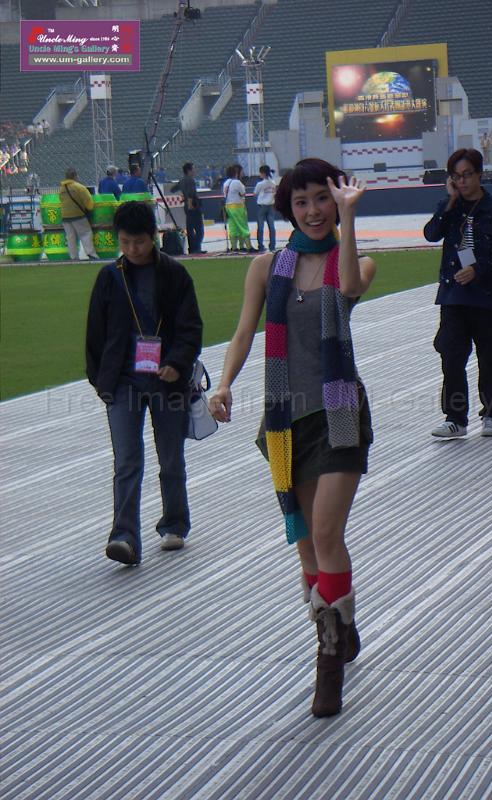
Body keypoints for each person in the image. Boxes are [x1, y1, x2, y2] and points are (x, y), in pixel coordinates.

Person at [209, 158, 376, 718]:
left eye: (322, 198)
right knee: (308, 544)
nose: (312, 211)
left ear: (337, 199)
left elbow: (347, 287)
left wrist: (349, 218)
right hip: (285, 419)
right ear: (288, 208)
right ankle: (339, 625)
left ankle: (328, 665)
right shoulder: (266, 267)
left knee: (326, 532)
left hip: (339, 413)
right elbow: (243, 333)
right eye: (301, 202)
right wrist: (224, 384)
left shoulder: (356, 260)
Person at [85, 201, 203, 566]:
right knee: (127, 460)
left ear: (154, 236)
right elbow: (95, 334)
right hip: (123, 382)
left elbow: (190, 328)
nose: (132, 249)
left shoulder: (175, 274)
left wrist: (177, 364)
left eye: (139, 241)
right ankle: (124, 537)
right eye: (125, 242)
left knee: (170, 457)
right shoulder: (109, 277)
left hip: (167, 382)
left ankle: (174, 524)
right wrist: (101, 381)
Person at [424, 148, 492, 438]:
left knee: (489, 357)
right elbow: (431, 234)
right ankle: (455, 418)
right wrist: (449, 201)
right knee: (451, 356)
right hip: (453, 295)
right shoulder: (450, 207)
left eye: (467, 175)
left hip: (485, 295)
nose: (462, 181)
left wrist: (478, 270)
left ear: (479, 174)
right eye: (456, 176)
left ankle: (491, 414)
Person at [59, 167, 99, 261]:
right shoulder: (79, 187)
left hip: (65, 216)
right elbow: (88, 200)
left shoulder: (62, 188)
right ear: (75, 176)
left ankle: (73, 257)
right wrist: (90, 209)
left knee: (70, 237)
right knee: (85, 233)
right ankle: (91, 253)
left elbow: (61, 200)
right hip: (78, 215)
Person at [171, 161, 206, 254]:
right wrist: (190, 203)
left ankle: (192, 248)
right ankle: (197, 248)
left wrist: (184, 196)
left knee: (190, 228)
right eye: (193, 169)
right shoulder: (191, 180)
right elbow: (191, 193)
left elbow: (173, 189)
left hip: (186, 206)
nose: (195, 171)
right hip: (193, 206)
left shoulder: (182, 180)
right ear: (189, 170)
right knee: (199, 230)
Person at [223, 164, 252, 252]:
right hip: (238, 206)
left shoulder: (226, 183)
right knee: (243, 226)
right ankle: (248, 246)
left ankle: (234, 247)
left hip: (228, 206)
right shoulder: (237, 182)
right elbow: (243, 193)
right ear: (236, 173)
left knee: (233, 227)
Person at [254, 164, 277, 252]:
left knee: (260, 227)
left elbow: (255, 193)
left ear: (263, 173)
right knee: (271, 226)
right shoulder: (273, 183)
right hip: (271, 205)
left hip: (262, 206)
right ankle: (272, 246)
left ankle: (261, 246)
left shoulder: (260, 184)